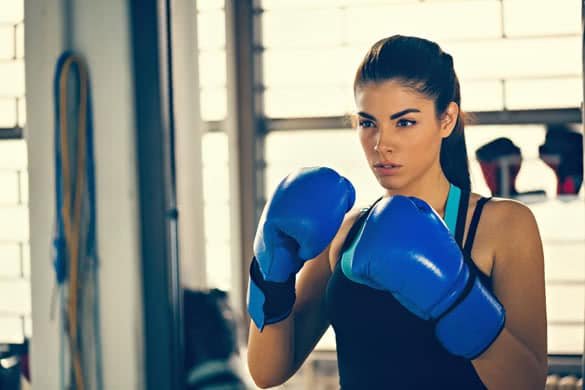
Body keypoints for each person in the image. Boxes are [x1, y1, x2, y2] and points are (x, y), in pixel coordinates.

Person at [246, 35, 547, 389]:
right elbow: (267, 373)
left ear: (447, 120)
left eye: (404, 122)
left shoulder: (503, 226)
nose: (380, 143)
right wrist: (270, 268)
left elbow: (528, 383)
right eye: (368, 122)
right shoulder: (344, 234)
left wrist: (457, 299)